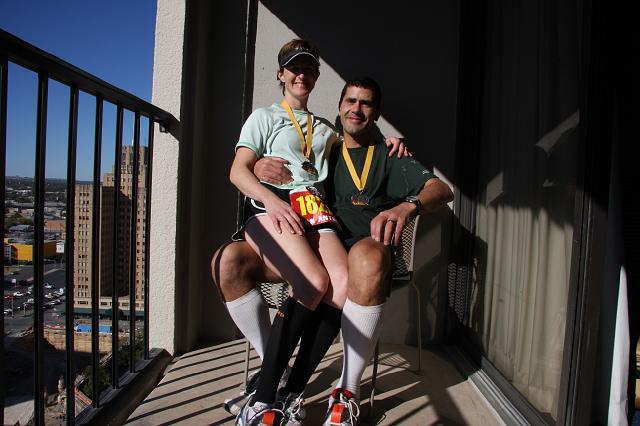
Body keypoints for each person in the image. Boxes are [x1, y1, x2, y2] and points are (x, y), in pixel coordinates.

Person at [214, 75, 453, 425]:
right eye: (350, 102)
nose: (356, 109)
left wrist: (406, 207)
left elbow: (441, 189)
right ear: (339, 108)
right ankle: (274, 369)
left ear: (376, 112)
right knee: (229, 260)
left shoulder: (389, 153)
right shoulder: (324, 146)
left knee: (364, 260)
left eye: (366, 103)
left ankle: (346, 392)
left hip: (360, 250)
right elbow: (285, 167)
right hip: (311, 242)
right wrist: (258, 164)